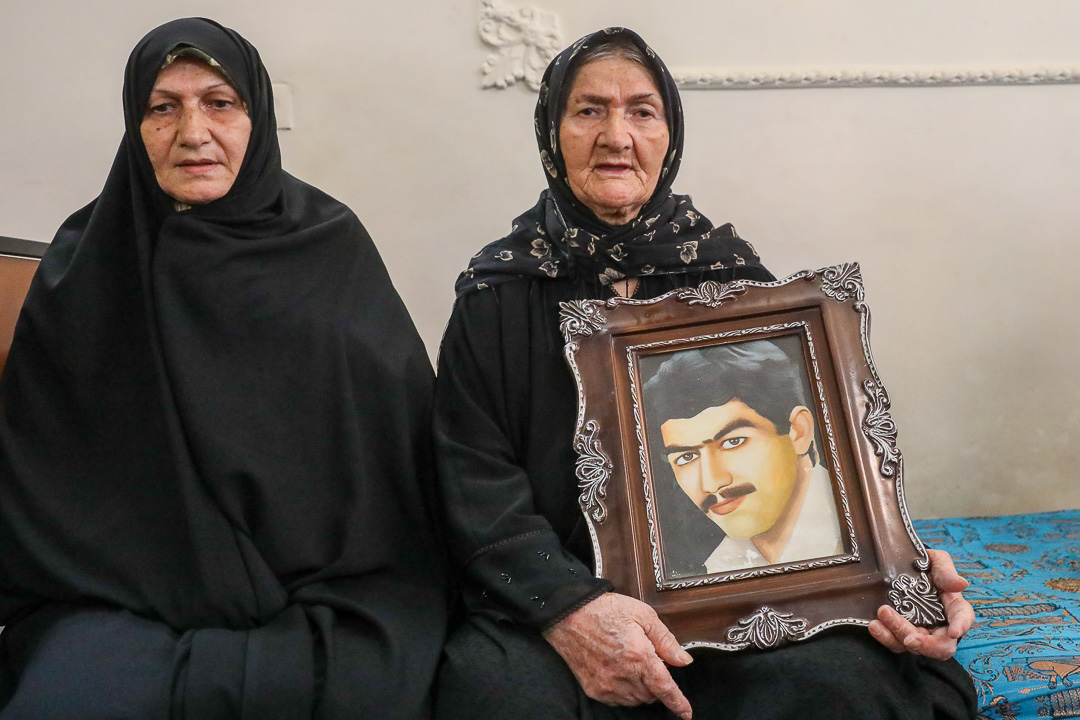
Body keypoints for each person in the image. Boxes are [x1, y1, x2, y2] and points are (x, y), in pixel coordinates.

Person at [434, 27, 977, 720]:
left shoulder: (735, 283)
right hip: (554, 597)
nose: (616, 136)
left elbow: (824, 462)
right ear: (552, 132)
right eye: (589, 110)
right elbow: (474, 479)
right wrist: (572, 609)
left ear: (670, 135)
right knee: (497, 697)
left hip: (734, 592)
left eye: (642, 111)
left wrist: (900, 568)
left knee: (840, 685)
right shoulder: (498, 297)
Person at [0, 18, 446, 719]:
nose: (193, 132)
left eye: (219, 103)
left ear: (255, 115)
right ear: (135, 124)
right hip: (123, 599)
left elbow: (396, 466)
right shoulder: (84, 267)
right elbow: (46, 484)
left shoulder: (328, 247)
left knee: (371, 686)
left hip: (328, 598)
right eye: (163, 107)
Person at [642, 338, 842, 575]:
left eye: (732, 442)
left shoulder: (855, 536)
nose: (712, 483)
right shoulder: (717, 568)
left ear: (799, 431)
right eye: (686, 457)